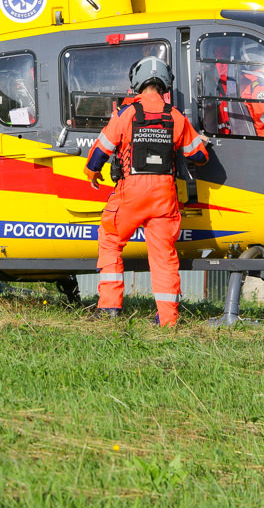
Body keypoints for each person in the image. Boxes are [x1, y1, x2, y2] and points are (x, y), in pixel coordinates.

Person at [83, 56, 209, 327]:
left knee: (110, 240)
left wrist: (92, 173)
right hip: (164, 196)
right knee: (164, 256)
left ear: (137, 83)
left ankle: (109, 308)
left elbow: (100, 153)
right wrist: (200, 142)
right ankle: (167, 319)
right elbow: (199, 156)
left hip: (131, 193)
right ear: (165, 84)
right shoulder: (176, 117)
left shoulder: (126, 113)